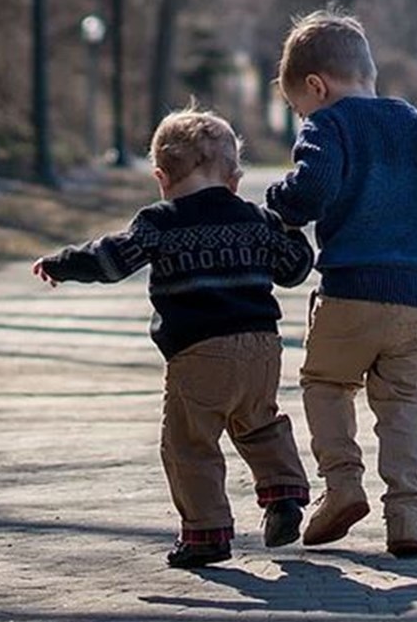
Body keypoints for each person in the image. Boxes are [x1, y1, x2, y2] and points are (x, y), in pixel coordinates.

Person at [33, 109, 314, 569]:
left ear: (161, 178)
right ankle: (284, 495)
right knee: (259, 422)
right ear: (234, 179)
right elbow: (294, 269)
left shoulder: (159, 222)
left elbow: (111, 261)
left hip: (199, 351)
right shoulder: (256, 219)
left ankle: (206, 534)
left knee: (189, 443)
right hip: (261, 348)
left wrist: (63, 264)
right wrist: (291, 229)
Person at [266, 9, 417, 557]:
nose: (303, 116)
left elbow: (312, 189)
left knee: (325, 384)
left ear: (317, 86)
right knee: (405, 405)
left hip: (351, 293)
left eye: (300, 107)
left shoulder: (329, 125)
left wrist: (279, 203)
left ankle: (342, 485)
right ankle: (407, 517)